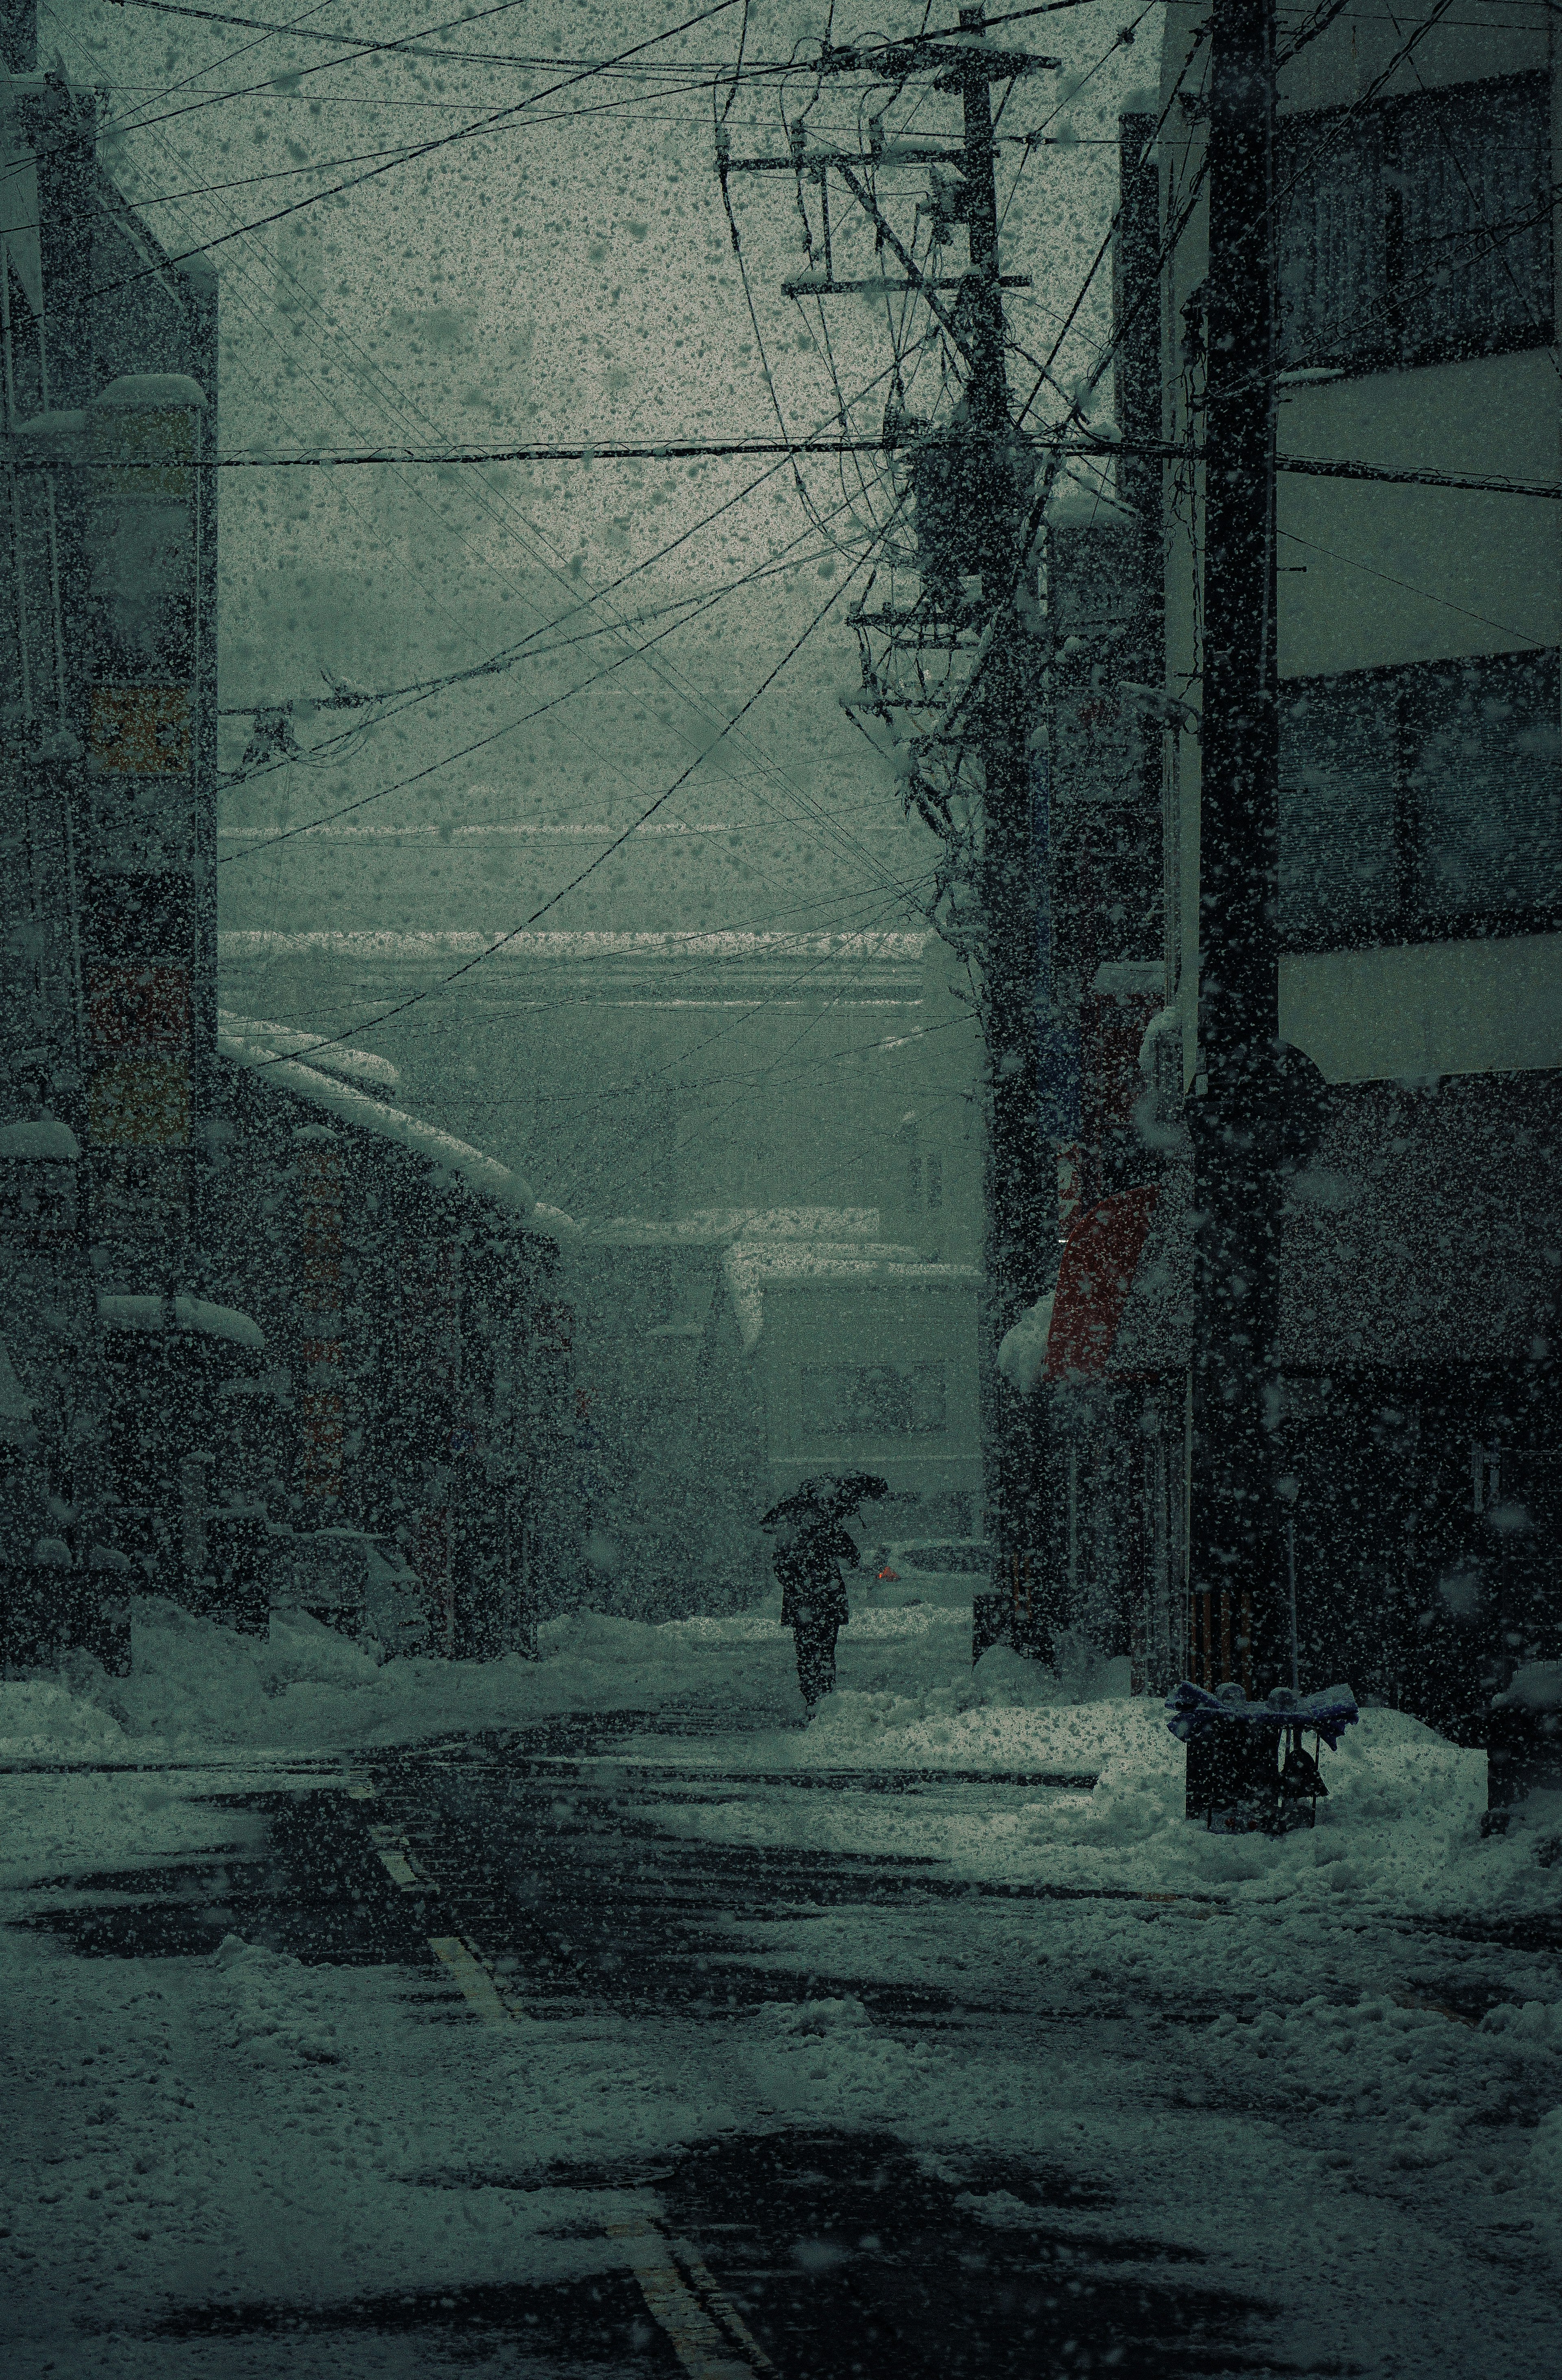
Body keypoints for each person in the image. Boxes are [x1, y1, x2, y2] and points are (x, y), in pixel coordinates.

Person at [774, 1507, 858, 1715]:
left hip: (806, 1602)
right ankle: (821, 1698)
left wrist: (799, 1584)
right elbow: (853, 1558)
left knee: (808, 1653)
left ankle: (814, 1699)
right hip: (826, 1601)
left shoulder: (792, 1532)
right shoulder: (830, 1528)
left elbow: (780, 1568)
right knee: (823, 1652)